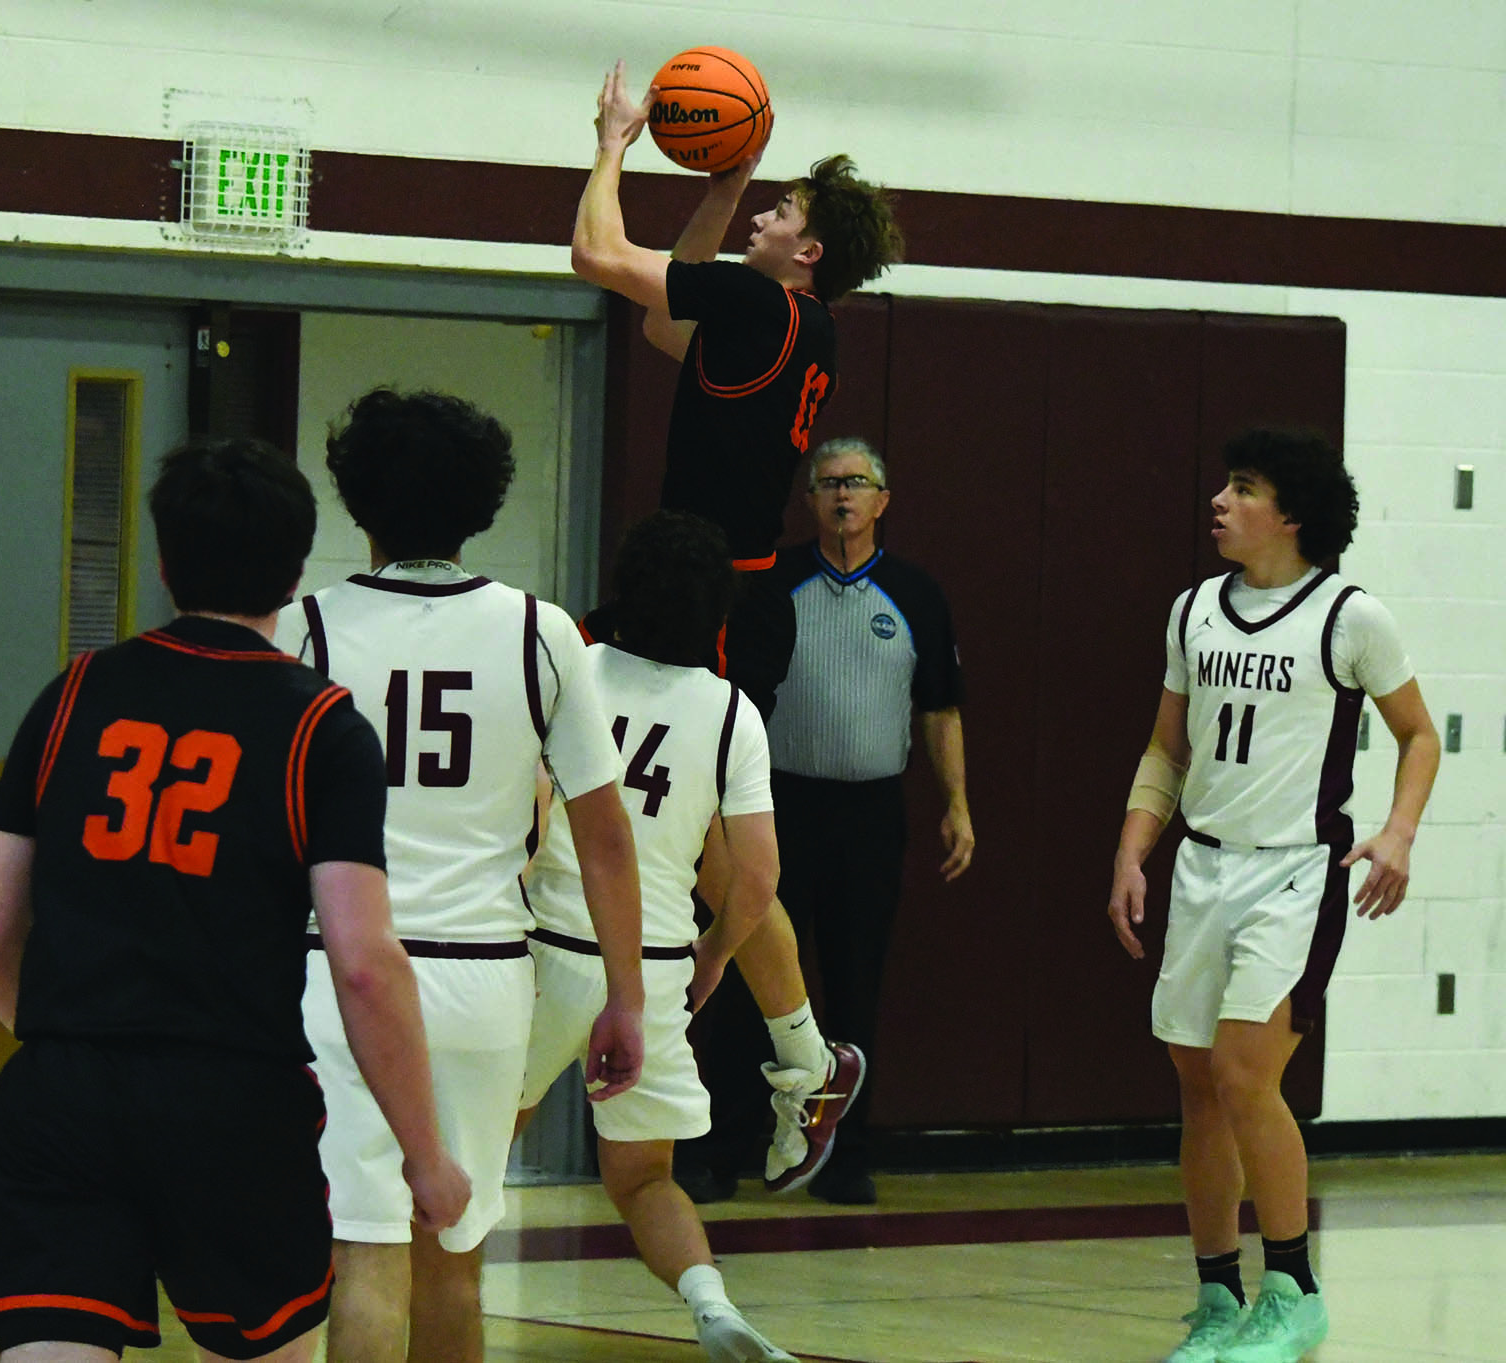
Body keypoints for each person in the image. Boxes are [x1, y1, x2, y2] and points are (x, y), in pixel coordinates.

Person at [0, 438, 470, 1363]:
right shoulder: (321, 725)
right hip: (234, 1103)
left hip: (63, 1092)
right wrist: (425, 1153)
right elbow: (363, 964)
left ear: (163, 562)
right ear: (296, 572)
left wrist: (75, 1042)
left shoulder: (72, 694)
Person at [572, 59, 900, 1200]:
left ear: (809, 250)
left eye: (781, 208)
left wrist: (614, 144)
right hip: (700, 592)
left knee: (726, 860)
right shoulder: (799, 325)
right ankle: (808, 1056)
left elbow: (599, 258)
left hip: (720, 600)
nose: (763, 212)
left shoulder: (763, 309)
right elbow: (667, 319)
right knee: (681, 834)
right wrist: (721, 180)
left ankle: (806, 1058)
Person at [274, 389, 645, 1363]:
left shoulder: (305, 628)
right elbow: (605, 839)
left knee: (363, 1254)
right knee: (455, 1259)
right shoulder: (542, 631)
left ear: (355, 498)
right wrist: (627, 995)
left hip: (340, 971)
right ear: (483, 501)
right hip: (484, 980)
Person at [1107, 429, 1439, 1363]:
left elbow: (1419, 735)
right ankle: (1219, 1296)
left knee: (1247, 1075)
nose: (1220, 500)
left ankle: (1293, 1290)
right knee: (1199, 1087)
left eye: (1243, 488)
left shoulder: (1351, 616)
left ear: (1291, 514)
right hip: (1202, 868)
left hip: (1295, 872)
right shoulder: (1193, 612)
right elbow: (1167, 749)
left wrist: (1398, 832)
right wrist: (1133, 851)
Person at [518, 510, 795, 1363]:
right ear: (718, 614)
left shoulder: (572, 668)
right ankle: (712, 1304)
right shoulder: (732, 712)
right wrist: (714, 956)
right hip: (655, 968)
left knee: (475, 1150)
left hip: (545, 948)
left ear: (621, 591)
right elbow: (758, 877)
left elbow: (527, 816)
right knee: (644, 1175)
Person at [690, 437, 974, 1206]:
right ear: (809, 500)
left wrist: (957, 803)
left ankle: (845, 1156)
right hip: (777, 809)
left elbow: (940, 708)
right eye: (828, 482)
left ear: (884, 500)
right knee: (751, 978)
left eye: (857, 482)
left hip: (870, 814)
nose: (843, 494)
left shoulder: (916, 593)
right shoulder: (771, 584)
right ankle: (726, 1149)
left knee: (856, 983)